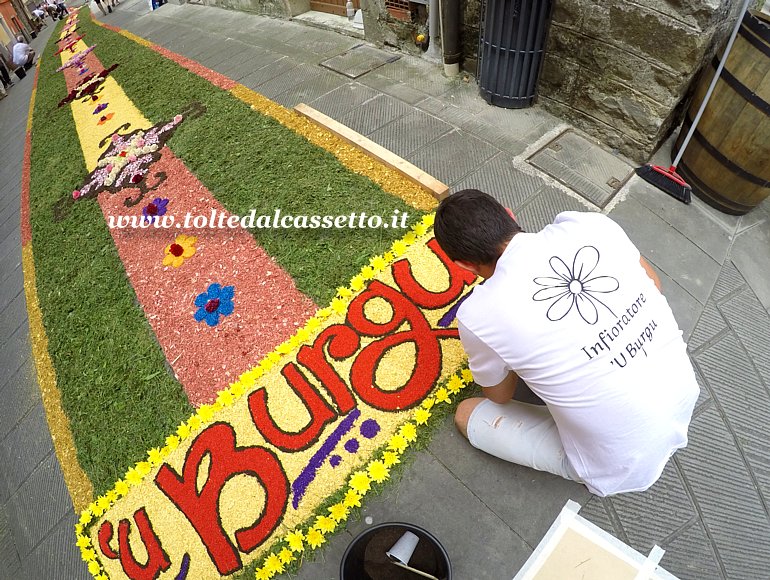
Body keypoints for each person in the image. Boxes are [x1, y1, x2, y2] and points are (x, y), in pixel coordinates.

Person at [434, 189, 699, 497]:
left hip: (619, 463)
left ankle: (585, 466)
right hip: (681, 397)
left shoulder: (478, 313)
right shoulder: (589, 225)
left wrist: (525, 348)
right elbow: (654, 283)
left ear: (464, 265)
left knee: (468, 414)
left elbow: (500, 395)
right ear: (509, 213)